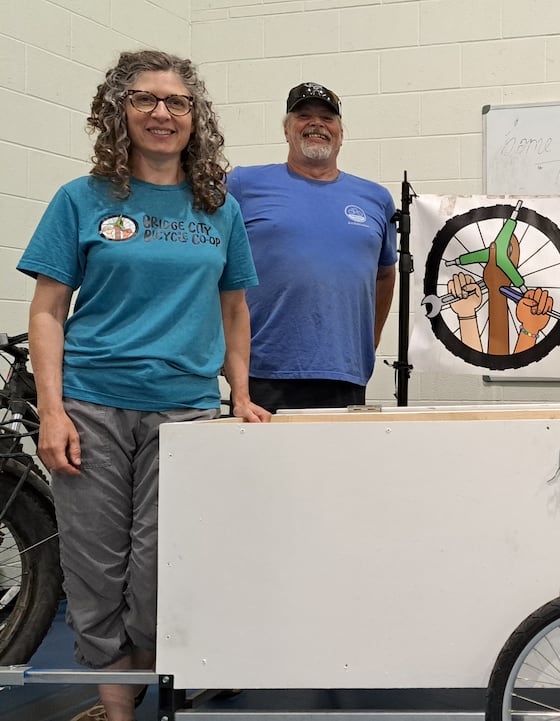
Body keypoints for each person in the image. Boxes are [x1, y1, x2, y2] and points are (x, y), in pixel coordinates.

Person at [18, 50, 270, 721]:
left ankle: (150, 681)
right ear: (118, 112)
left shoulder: (219, 209)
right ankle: (119, 711)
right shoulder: (81, 199)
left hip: (185, 414)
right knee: (95, 569)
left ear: (195, 117)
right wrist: (51, 411)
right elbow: (47, 310)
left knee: (163, 567)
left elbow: (235, 310)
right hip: (90, 407)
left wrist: (241, 393)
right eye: (144, 99)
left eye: (176, 101)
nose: (162, 113)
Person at [228, 82, 397, 412]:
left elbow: (385, 275)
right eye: (304, 116)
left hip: (346, 373)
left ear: (341, 134)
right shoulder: (243, 185)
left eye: (327, 118)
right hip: (263, 370)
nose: (316, 124)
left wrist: (368, 342)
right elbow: (215, 266)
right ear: (286, 130)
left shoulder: (376, 199)